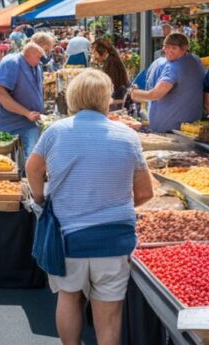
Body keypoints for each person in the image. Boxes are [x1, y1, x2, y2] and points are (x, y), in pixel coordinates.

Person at [25, 69, 153, 345]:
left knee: (69, 297)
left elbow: (32, 168)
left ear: (73, 96)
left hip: (69, 238)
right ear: (106, 97)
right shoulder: (128, 136)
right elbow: (145, 192)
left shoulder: (56, 132)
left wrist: (40, 198)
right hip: (115, 239)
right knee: (109, 313)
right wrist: (115, 201)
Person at [130, 33, 205, 132]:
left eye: (173, 48)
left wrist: (133, 93)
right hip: (190, 127)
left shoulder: (173, 67)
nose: (169, 51)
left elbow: (155, 94)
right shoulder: (195, 60)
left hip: (170, 130)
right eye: (166, 47)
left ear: (184, 48)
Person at [0, 42, 47, 167]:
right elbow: (0, 94)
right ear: (29, 54)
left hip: (30, 123)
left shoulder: (35, 65)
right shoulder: (12, 63)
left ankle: (28, 185)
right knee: (5, 166)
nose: (40, 60)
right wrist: (26, 113)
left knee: (32, 165)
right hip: (10, 124)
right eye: (38, 57)